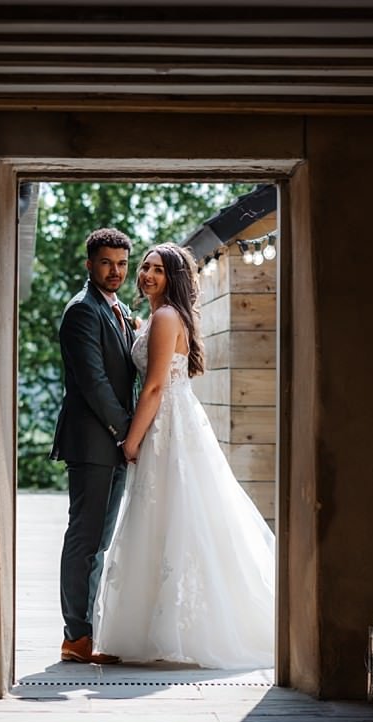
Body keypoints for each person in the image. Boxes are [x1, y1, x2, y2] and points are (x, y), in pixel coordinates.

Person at [92, 243, 275, 669]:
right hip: (177, 421)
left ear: (174, 278)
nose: (147, 275)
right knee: (173, 518)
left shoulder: (165, 317)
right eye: (145, 267)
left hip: (167, 427)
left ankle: (172, 629)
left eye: (158, 270)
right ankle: (163, 626)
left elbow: (155, 386)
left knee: (168, 518)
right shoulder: (163, 317)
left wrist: (131, 441)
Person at [49, 227, 138, 664]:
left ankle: (87, 632)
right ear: (89, 264)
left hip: (115, 444)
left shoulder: (117, 309)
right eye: (106, 262)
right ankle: (75, 637)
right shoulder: (82, 312)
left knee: (99, 541)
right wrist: (128, 433)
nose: (115, 271)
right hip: (93, 443)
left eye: (122, 264)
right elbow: (95, 384)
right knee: (84, 538)